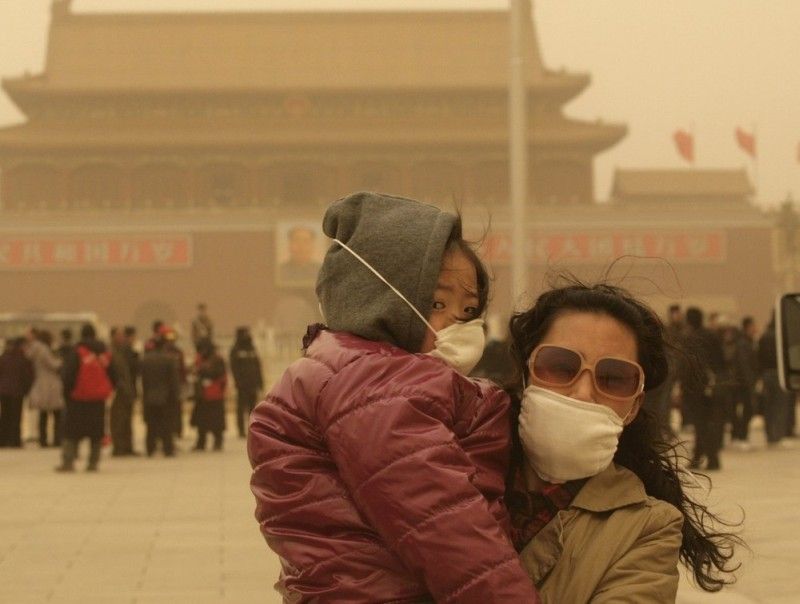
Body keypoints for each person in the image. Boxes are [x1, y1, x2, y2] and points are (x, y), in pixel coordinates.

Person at [249, 192, 540, 602]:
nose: (458, 323)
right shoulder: (376, 387)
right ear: (381, 296)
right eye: (437, 303)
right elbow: (449, 532)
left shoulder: (340, 369)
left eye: (469, 311)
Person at [506, 281, 742, 602]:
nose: (583, 393)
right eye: (561, 366)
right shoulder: (450, 466)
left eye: (613, 378)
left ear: (633, 406)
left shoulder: (648, 528)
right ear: (526, 374)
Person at [56, 323, 114, 472]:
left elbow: (68, 375)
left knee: (71, 432)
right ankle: (93, 463)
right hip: (98, 400)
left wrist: (67, 394)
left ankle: (68, 462)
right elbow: (113, 374)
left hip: (77, 399)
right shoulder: (103, 353)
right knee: (96, 434)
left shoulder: (78, 352)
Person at [680, 307, 726, 470]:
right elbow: (721, 360)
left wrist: (683, 387)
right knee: (706, 422)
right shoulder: (711, 336)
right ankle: (698, 456)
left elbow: (688, 366)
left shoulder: (690, 339)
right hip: (712, 386)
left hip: (696, 388)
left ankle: (713, 459)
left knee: (701, 424)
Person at [140, 332, 180, 457]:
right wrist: (175, 396)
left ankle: (150, 448)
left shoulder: (145, 360)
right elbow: (173, 381)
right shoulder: (169, 359)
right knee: (166, 424)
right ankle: (167, 448)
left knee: (151, 425)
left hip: (150, 396)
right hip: (166, 397)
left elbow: (143, 381)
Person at [758, 313, 794, 447]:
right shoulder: (782, 337)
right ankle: (777, 436)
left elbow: (759, 356)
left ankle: (770, 436)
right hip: (780, 374)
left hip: (766, 374)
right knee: (780, 406)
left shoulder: (764, 336)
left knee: (769, 407)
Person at [25, 329, 65, 448]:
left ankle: (43, 439)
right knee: (56, 413)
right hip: (50, 384)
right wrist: (62, 362)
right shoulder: (44, 350)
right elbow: (53, 364)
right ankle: (57, 439)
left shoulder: (34, 350)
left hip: (40, 382)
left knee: (43, 414)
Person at [229, 326, 263, 438]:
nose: (247, 336)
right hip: (242, 385)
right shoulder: (235, 350)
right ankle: (241, 430)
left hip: (253, 384)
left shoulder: (252, 348)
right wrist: (238, 382)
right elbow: (233, 368)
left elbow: (258, 367)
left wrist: (260, 383)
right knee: (241, 408)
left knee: (252, 408)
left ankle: (252, 428)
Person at [192, 338, 226, 451]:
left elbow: (220, 374)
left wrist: (203, 372)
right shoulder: (199, 359)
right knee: (201, 421)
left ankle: (218, 442)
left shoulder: (217, 359)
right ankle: (201, 442)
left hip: (214, 394)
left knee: (216, 422)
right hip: (202, 394)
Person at [0, 337, 35, 447]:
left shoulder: (3, 358)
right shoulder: (23, 358)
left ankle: (3, 440)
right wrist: (26, 389)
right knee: (16, 417)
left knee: (5, 416)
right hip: (17, 392)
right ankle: (15, 440)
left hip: (3, 391)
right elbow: (28, 376)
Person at [109, 326, 138, 456]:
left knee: (127, 419)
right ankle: (118, 447)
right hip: (118, 391)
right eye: (119, 335)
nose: (122, 338)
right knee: (118, 420)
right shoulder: (111, 352)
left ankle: (127, 446)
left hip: (128, 390)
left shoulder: (124, 352)